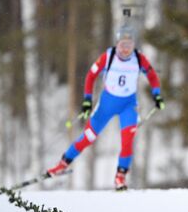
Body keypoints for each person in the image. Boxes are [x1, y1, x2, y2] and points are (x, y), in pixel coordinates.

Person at [46, 25, 165, 190]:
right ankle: (62, 164)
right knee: (89, 137)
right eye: (122, 45)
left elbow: (152, 76)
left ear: (134, 45)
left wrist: (157, 94)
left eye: (129, 45)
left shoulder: (139, 59)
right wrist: (87, 100)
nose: (125, 49)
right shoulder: (108, 57)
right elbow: (90, 76)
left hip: (128, 105)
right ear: (117, 43)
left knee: (127, 141)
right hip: (107, 104)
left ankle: (120, 177)